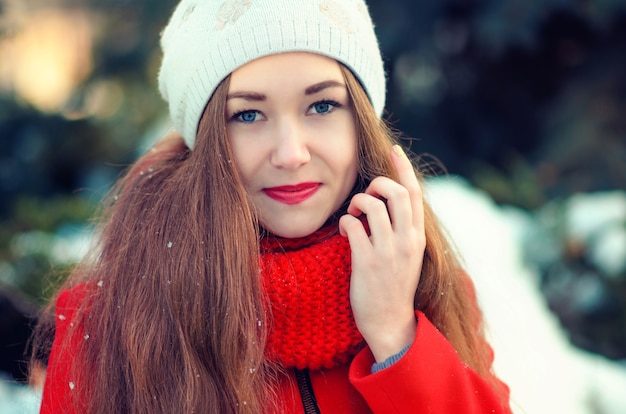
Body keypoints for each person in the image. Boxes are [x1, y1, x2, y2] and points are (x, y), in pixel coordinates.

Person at [34, 0, 512, 412]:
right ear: (207, 141)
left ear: (361, 121)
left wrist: (396, 338)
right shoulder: (113, 320)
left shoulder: (425, 284)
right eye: (247, 114)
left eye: (322, 106)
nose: (290, 154)